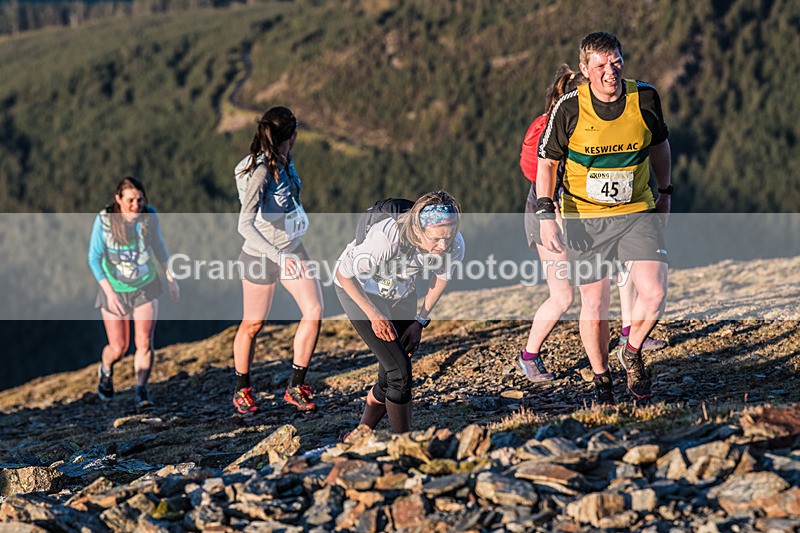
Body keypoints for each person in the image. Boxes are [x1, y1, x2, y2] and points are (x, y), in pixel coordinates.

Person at [536, 32, 672, 405]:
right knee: (595, 304)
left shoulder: (644, 97)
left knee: (655, 291)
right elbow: (545, 163)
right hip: (585, 217)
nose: (610, 72)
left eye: (615, 63)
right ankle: (601, 379)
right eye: (600, 66)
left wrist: (666, 192)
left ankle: (631, 351)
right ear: (585, 69)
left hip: (636, 210)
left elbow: (660, 145)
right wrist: (546, 212)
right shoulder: (569, 107)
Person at [335, 191, 465, 434]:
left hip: (401, 293)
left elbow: (441, 277)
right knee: (400, 372)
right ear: (417, 230)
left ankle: (361, 432)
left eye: (448, 237)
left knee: (391, 370)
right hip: (361, 291)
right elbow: (345, 275)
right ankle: (403, 441)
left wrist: (420, 321)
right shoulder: (386, 239)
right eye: (436, 239)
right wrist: (374, 315)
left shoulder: (454, 242)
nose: (443, 245)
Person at [232, 106, 323, 414]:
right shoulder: (259, 172)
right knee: (254, 324)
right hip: (262, 256)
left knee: (314, 310)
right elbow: (244, 224)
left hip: (292, 249)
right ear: (292, 136)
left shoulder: (286, 160)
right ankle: (241, 389)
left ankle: (295, 387)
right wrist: (279, 255)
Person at [88, 177, 180, 409]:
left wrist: (171, 278)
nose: (135, 205)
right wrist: (109, 293)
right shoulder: (105, 221)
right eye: (130, 200)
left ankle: (141, 390)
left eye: (139, 200)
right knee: (118, 347)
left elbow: (159, 247)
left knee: (144, 342)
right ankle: (106, 369)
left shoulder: (149, 216)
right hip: (113, 289)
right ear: (118, 199)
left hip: (145, 286)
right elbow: (94, 258)